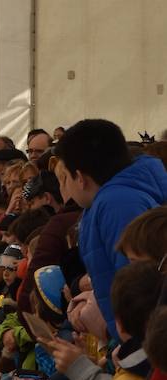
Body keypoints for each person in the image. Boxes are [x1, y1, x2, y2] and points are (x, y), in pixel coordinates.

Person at [55, 118, 167, 340]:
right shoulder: (108, 201)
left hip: (143, 343)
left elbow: (138, 288)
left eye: (65, 177)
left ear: (80, 178)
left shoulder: (117, 203)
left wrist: (127, 343)